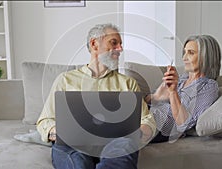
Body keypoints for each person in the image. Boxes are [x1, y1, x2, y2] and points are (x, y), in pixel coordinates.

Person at [36, 23, 156, 169]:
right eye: (114, 43)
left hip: (115, 144)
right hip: (74, 145)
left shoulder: (127, 83)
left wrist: (138, 133)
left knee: (125, 145)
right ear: (94, 44)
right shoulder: (65, 80)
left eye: (120, 44)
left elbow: (147, 120)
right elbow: (44, 121)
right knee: (77, 164)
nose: (120, 49)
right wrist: (59, 133)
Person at [145, 35, 221, 143]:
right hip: (145, 112)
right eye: (184, 52)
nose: (184, 58)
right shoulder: (181, 78)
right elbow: (147, 100)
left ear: (206, 57)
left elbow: (183, 124)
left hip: (157, 125)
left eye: (191, 53)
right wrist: (156, 97)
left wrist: (173, 92)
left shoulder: (209, 86)